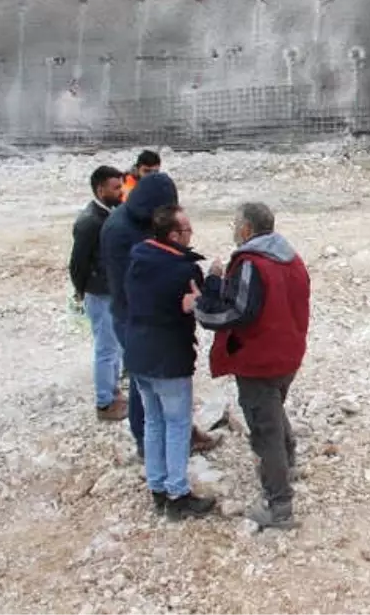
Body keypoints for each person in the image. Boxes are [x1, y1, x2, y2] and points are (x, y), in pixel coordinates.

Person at [189, 202, 311, 529]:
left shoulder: (251, 264)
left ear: (246, 230)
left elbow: (238, 312)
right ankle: (288, 462)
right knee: (273, 407)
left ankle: (279, 505)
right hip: (289, 354)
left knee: (263, 426)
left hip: (260, 359)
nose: (234, 229)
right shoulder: (290, 257)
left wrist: (203, 304)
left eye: (235, 223)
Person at [100, 172, 219, 459]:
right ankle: (147, 443)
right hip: (136, 319)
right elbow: (147, 280)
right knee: (147, 385)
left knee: (151, 383)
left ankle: (174, 435)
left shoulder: (133, 221)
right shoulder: (122, 231)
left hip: (140, 315)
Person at [124, 205, 215, 520]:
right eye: (187, 230)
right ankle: (178, 492)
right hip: (168, 358)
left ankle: (158, 487)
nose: (192, 234)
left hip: (137, 354)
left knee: (153, 422)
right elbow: (201, 307)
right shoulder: (183, 270)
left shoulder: (138, 257)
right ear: (174, 235)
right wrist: (212, 281)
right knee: (176, 425)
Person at [69, 165, 128, 421]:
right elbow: (77, 262)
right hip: (99, 293)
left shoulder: (105, 215)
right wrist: (80, 290)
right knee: (106, 348)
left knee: (113, 346)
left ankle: (113, 392)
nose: (120, 192)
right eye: (115, 188)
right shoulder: (90, 222)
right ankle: (105, 403)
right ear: (100, 189)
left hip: (109, 292)